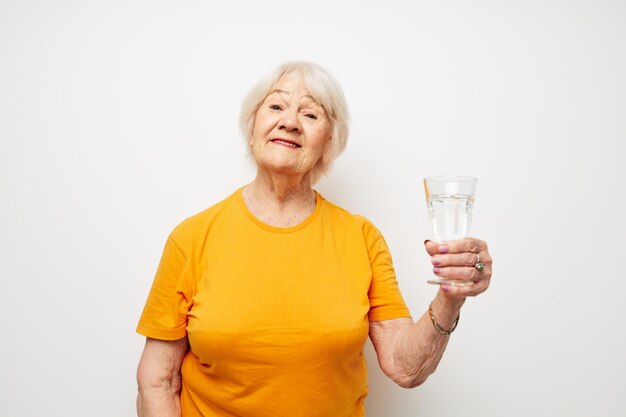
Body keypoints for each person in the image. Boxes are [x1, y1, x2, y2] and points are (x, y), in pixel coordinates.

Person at [135, 61, 493, 417]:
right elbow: (158, 381)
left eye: (310, 115)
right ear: (252, 126)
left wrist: (451, 296)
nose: (289, 122)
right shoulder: (191, 238)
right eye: (275, 106)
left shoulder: (361, 238)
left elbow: (405, 366)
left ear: (329, 142)